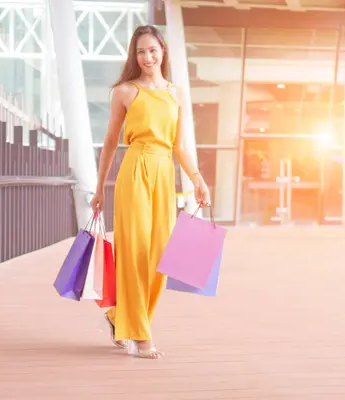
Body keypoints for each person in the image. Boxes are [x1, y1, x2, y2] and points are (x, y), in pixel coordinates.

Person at [90, 25, 211, 359]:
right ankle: (141, 335)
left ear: (163, 51)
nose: (147, 57)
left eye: (152, 50)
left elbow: (181, 146)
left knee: (161, 257)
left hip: (164, 174)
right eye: (140, 51)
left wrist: (197, 180)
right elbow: (110, 143)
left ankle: (119, 318)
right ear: (135, 55)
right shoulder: (125, 92)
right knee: (135, 253)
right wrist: (99, 188)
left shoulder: (177, 93)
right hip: (134, 171)